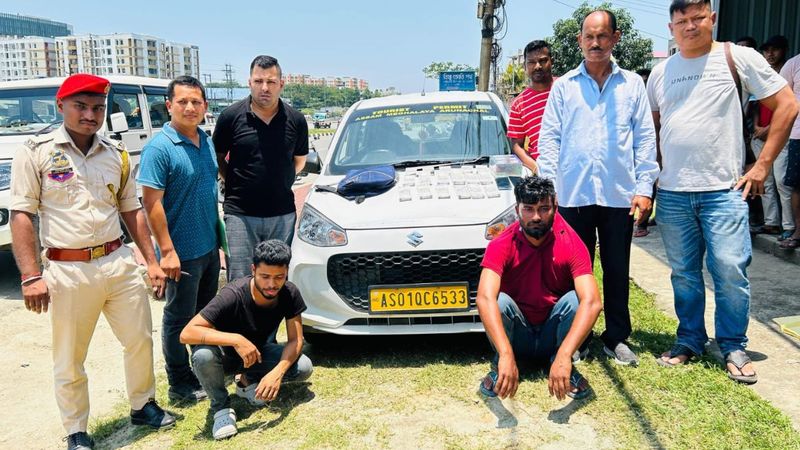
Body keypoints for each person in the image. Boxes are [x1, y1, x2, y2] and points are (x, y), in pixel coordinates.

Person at [9, 74, 175, 450]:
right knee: (70, 355)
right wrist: (31, 276)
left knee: (139, 339)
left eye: (98, 108)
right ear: (61, 106)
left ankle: (143, 405)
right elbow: (22, 214)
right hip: (68, 269)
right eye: (80, 107)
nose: (90, 115)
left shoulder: (115, 153)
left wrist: (151, 262)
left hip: (117, 261)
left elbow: (131, 209)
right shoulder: (35, 151)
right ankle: (76, 430)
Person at [647, 0, 797, 383]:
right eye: (682, 21)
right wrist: (653, 179)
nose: (690, 26)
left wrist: (762, 164)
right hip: (674, 193)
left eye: (698, 18)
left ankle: (732, 345)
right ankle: (690, 339)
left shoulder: (737, 57)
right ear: (671, 27)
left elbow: (787, 105)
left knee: (730, 271)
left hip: (723, 192)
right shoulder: (660, 72)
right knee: (684, 274)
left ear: (711, 18)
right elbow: (654, 130)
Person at [538, 9, 659, 366]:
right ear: (579, 40)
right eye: (589, 37)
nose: (595, 43)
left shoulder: (632, 85)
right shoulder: (565, 86)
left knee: (617, 268)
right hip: (572, 195)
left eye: (602, 36)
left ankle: (616, 337)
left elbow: (644, 139)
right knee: (574, 270)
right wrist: (549, 190)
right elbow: (549, 140)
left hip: (618, 195)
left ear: (615, 38)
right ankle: (578, 337)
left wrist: (644, 187)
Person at [476, 176, 602, 400]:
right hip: (518, 334)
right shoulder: (502, 242)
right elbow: (484, 297)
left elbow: (592, 302)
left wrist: (565, 354)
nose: (536, 216)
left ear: (555, 207)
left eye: (544, 209)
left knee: (576, 300)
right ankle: (501, 364)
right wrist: (505, 353)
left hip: (553, 334)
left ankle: (561, 364)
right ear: (517, 209)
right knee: (498, 301)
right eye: (528, 209)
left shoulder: (571, 241)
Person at [138, 75, 220, 404]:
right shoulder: (159, 148)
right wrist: (166, 252)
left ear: (205, 106)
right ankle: (179, 381)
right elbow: (151, 203)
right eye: (182, 101)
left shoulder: (206, 140)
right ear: (169, 105)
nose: (190, 108)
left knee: (205, 313)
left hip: (208, 247)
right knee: (178, 318)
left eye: (196, 102)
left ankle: (205, 368)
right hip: (180, 253)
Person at [180, 239, 312, 440]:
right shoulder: (232, 294)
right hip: (223, 358)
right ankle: (221, 408)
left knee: (303, 367)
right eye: (265, 276)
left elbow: (296, 340)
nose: (272, 284)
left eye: (279, 277)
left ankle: (247, 382)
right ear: (253, 270)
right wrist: (236, 339)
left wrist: (277, 373)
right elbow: (187, 333)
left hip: (256, 355)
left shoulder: (289, 292)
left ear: (286, 272)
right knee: (203, 355)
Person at [212, 55, 309, 280]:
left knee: (276, 281)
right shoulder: (230, 117)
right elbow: (217, 158)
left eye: (271, 82)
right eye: (258, 81)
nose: (264, 87)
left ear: (281, 84)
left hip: (282, 214)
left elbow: (300, 161)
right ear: (249, 83)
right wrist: (235, 180)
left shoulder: (296, 120)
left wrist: (279, 181)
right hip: (240, 215)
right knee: (240, 281)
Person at [753, 36, 794, 238]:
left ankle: (789, 226)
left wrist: (769, 128)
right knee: (764, 182)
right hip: (759, 135)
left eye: (775, 49)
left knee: (782, 182)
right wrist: (756, 127)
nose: (770, 54)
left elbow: (789, 107)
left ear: (784, 50)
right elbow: (753, 105)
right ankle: (771, 223)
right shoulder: (761, 74)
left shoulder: (788, 73)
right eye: (766, 50)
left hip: (781, 135)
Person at [507, 40, 555, 173]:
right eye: (532, 62)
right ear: (525, 66)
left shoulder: (566, 88)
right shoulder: (518, 104)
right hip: (545, 173)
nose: (537, 66)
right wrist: (538, 170)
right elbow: (516, 145)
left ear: (552, 61)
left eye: (542, 61)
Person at [779, 49, 800, 249]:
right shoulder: (793, 64)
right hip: (798, 135)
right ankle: (798, 231)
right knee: (796, 185)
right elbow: (783, 100)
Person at [634, 68, 658, 238]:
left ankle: (646, 220)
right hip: (641, 153)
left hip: (659, 150)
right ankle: (641, 224)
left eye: (646, 82)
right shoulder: (635, 99)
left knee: (652, 186)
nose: (644, 85)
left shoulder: (654, 100)